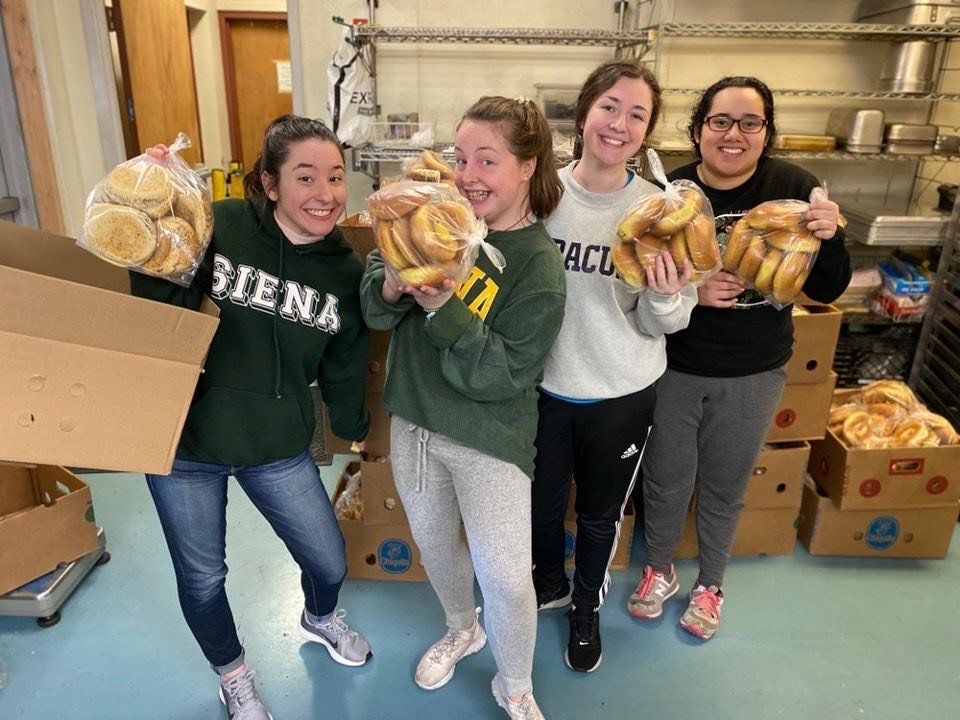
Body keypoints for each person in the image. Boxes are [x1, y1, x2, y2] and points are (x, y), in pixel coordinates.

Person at [130, 115, 373, 720]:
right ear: (269, 183)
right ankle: (233, 675)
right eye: (306, 177)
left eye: (335, 177)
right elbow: (158, 303)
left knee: (328, 560)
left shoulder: (345, 270)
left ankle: (319, 617)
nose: (325, 193)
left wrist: (353, 424)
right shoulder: (218, 223)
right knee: (203, 577)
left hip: (278, 441)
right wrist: (153, 206)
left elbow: (346, 359)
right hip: (186, 441)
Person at [360, 96, 565, 720]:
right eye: (461, 157)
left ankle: (516, 684)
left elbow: (500, 375)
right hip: (415, 424)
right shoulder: (434, 217)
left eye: (488, 160)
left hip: (490, 439)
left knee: (504, 576)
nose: (468, 175)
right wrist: (390, 284)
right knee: (436, 547)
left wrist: (440, 309)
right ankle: (461, 628)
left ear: (527, 166)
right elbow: (373, 308)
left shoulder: (538, 266)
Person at [628, 77, 852, 640]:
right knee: (665, 479)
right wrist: (691, 290)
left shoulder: (795, 189)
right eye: (720, 121)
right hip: (673, 366)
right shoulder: (670, 191)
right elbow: (636, 278)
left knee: (725, 484)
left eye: (750, 123)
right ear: (698, 129)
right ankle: (659, 570)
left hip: (754, 370)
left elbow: (827, 288)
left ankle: (710, 584)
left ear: (766, 132)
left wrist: (831, 238)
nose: (734, 134)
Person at [529, 59, 697, 674]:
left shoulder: (659, 209)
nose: (619, 124)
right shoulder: (540, 193)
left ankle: (585, 610)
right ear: (584, 112)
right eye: (609, 107)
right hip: (542, 388)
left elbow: (665, 322)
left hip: (621, 392)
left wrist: (664, 295)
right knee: (540, 507)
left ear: (647, 130)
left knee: (601, 516)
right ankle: (549, 583)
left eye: (637, 115)